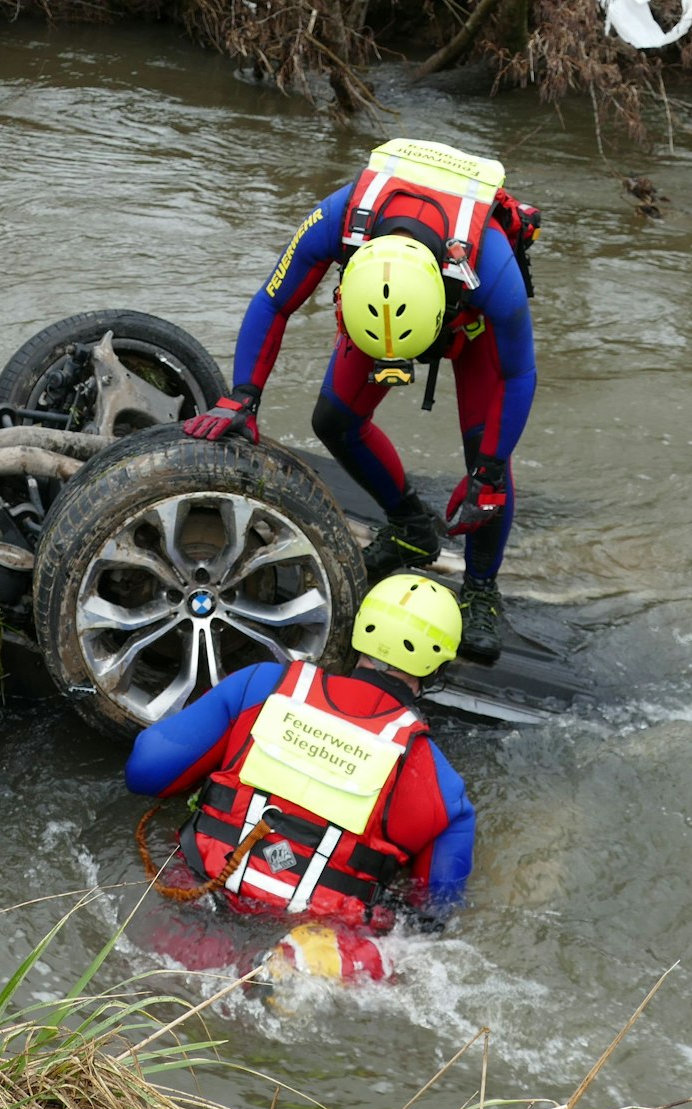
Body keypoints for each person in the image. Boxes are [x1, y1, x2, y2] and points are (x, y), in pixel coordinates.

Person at [182, 138, 543, 663]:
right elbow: (273, 301)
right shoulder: (338, 216)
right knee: (335, 419)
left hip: (474, 329)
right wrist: (242, 397)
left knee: (486, 462)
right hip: (383, 310)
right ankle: (412, 529)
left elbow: (519, 373)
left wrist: (487, 470)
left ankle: (483, 589)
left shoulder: (492, 267)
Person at [126, 573, 476, 977]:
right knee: (403, 949)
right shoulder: (440, 783)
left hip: (198, 903)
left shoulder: (261, 685)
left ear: (357, 633)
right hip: (311, 939)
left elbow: (145, 771)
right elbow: (434, 912)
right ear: (438, 669)